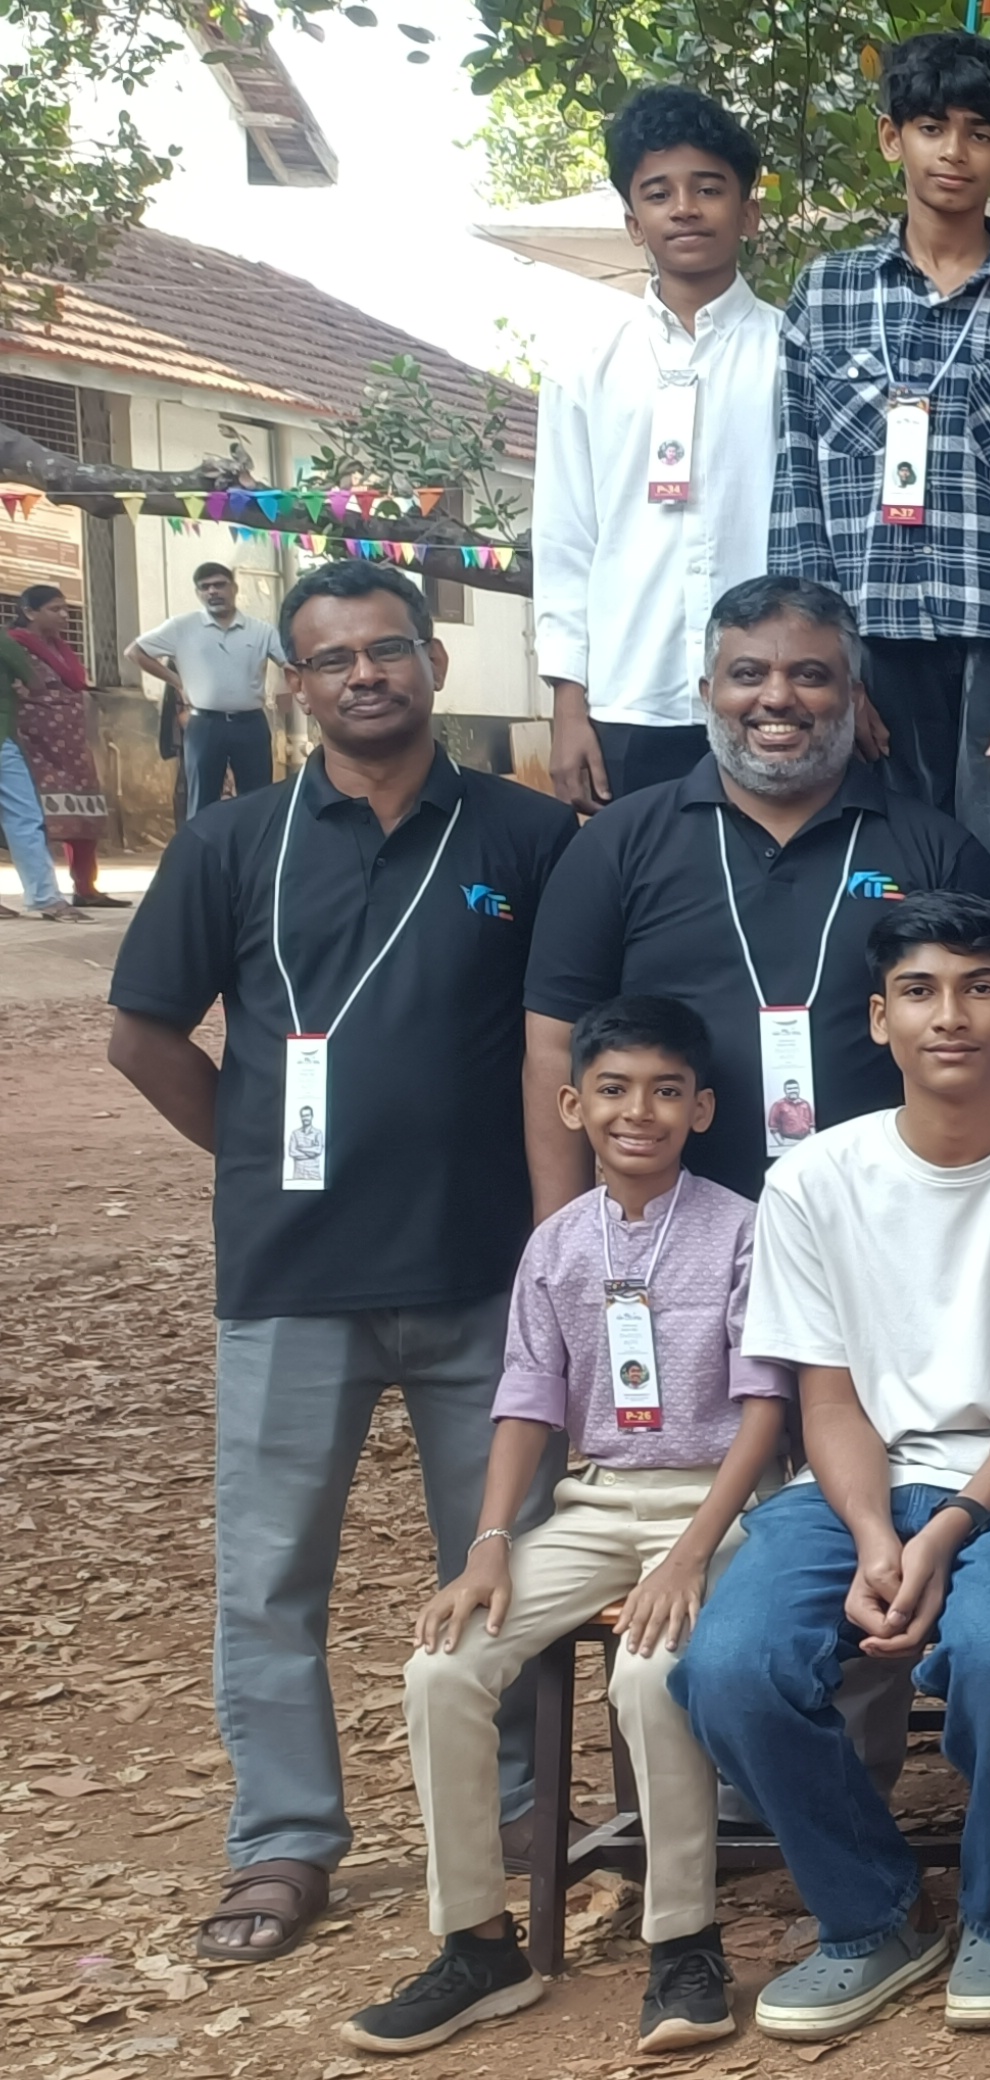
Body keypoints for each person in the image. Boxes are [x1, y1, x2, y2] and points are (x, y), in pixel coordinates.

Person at [106, 559, 582, 1967]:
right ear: (294, 685)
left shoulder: (529, 835)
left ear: (435, 662)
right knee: (269, 1580)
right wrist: (256, 1155)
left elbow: (569, 1042)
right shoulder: (230, 841)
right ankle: (286, 1841)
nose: (364, 675)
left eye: (387, 649)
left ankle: (515, 1814)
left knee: (504, 1565)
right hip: (290, 1278)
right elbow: (143, 1035)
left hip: (485, 1273)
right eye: (333, 659)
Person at [678, 889, 990, 2040]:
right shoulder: (813, 1181)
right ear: (879, 1017)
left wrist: (945, 1531)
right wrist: (877, 1534)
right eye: (920, 991)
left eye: (981, 989)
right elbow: (827, 1397)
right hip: (858, 1477)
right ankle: (871, 1914)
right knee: (729, 1665)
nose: (952, 1016)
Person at [340, 995, 790, 2056]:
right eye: (615, 1089)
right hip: (596, 1501)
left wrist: (689, 1554)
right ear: (572, 1103)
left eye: (667, 1091)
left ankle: (684, 1942)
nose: (641, 1112)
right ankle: (478, 1944)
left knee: (649, 1669)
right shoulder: (555, 1244)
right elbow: (528, 1400)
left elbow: (767, 1408)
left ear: (702, 1107)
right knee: (442, 1665)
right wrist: (488, 1543)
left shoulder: (742, 1227)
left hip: (719, 1505)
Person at [523, 576, 990, 1203]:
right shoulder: (616, 845)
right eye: (748, 674)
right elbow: (555, 1046)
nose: (777, 697)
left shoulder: (938, 851)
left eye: (810, 675)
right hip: (673, 1227)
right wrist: (564, 1238)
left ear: (853, 695)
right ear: (709, 694)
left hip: (890, 1218)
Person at [768, 29, 990, 872]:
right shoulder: (827, 293)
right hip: (865, 645)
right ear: (893, 138)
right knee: (871, 883)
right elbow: (796, 491)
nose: (953, 152)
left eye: (979, 133)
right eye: (931, 128)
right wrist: (821, 668)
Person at [535, 86, 777, 811]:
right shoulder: (586, 366)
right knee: (643, 878)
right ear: (632, 222)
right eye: (658, 193)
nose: (685, 209)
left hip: (772, 698)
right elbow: (565, 540)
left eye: (709, 189)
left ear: (748, 213)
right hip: (628, 699)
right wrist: (568, 705)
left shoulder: (794, 356)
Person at [138, 562, 281, 819]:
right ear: (198, 593)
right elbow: (135, 652)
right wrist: (177, 681)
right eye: (205, 587)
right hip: (205, 725)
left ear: (234, 588)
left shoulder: (261, 630)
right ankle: (202, 846)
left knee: (258, 799)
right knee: (201, 801)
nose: (212, 591)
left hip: (250, 724)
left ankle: (256, 846)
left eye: (219, 585)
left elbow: (290, 663)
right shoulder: (182, 626)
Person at [9, 585, 115, 905]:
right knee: (29, 817)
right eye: (55, 609)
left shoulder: (59, 647)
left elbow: (76, 684)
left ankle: (85, 887)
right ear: (30, 612)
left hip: (71, 742)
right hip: (32, 742)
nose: (64, 615)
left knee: (83, 814)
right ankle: (44, 893)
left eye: (65, 608)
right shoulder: (13, 645)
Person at [0, 610, 66, 921]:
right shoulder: (4, 642)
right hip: (1, 739)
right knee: (23, 816)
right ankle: (44, 897)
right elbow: (35, 682)